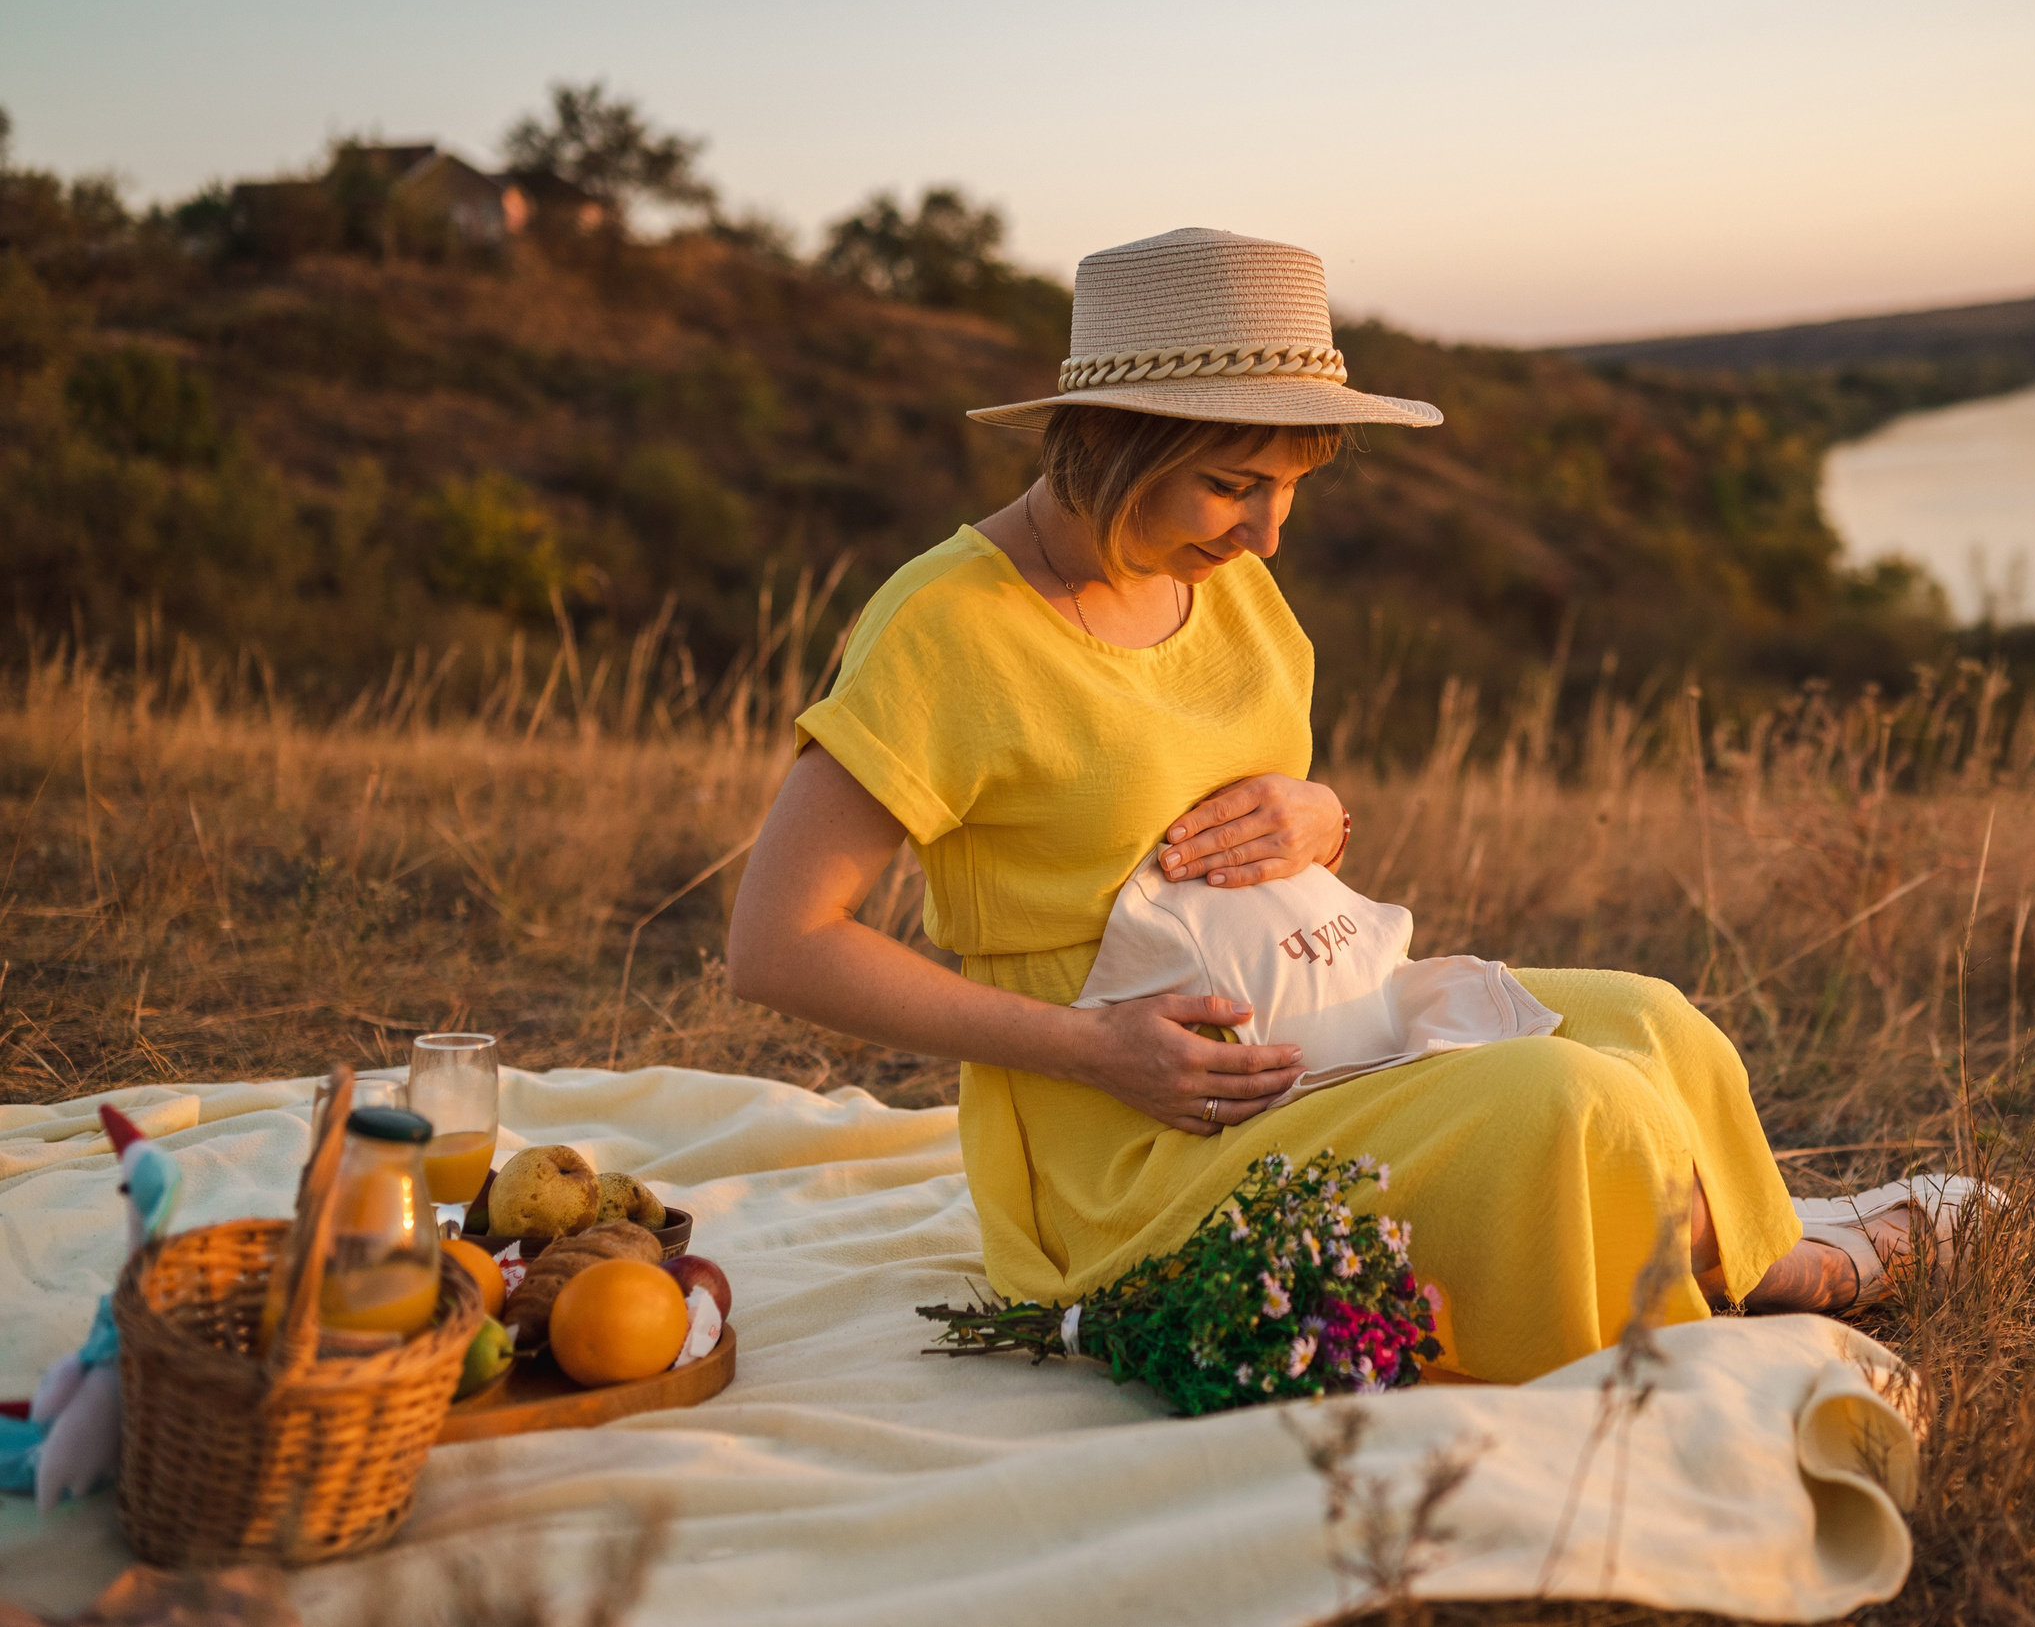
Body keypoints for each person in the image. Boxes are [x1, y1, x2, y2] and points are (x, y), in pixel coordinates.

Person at [727, 227, 1954, 1383]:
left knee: (1652, 1021)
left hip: (1328, 1029)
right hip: (1139, 1136)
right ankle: (1686, 1295)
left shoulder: (1234, 589)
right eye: (1230, 483)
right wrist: (1094, 1049)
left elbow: (1247, 825)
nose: (1267, 531)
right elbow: (778, 944)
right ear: (1107, 441)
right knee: (1564, 1098)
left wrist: (1324, 817)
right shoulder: (947, 628)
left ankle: (1751, 1256)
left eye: (1291, 488)